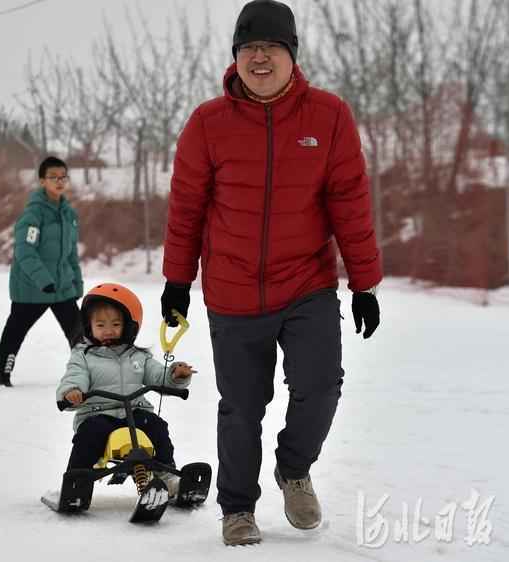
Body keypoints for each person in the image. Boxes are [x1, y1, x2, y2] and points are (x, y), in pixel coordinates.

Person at [160, 0, 382, 546]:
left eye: (271, 47)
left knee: (321, 386)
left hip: (306, 282)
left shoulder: (328, 116)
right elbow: (186, 207)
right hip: (233, 291)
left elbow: (349, 202)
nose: (259, 57)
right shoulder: (207, 123)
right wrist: (176, 282)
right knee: (242, 407)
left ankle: (294, 468)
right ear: (236, 57)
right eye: (248, 48)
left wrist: (365, 283)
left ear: (291, 55)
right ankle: (237, 508)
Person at [56, 283, 196, 497]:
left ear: (129, 327)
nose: (108, 330)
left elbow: (158, 376)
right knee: (89, 435)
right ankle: (77, 481)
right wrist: (72, 391)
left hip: (136, 412)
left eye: (115, 324)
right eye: (100, 325)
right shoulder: (83, 356)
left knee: (157, 427)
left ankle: (167, 476)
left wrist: (175, 375)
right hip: (98, 413)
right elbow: (75, 376)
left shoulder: (138, 356)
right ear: (89, 326)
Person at [0, 156, 84, 387]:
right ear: (42, 181)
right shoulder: (33, 215)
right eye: (53, 177)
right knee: (15, 332)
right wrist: (43, 280)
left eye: (63, 177)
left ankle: (87, 376)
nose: (59, 181)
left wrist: (77, 283)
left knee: (79, 336)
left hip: (61, 287)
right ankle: (1, 375)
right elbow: (24, 251)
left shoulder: (68, 214)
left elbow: (71, 253)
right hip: (32, 288)